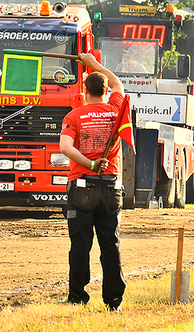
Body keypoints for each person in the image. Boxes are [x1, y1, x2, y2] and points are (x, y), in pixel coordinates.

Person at [59, 52, 126, 310]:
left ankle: (77, 297)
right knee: (110, 244)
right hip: (111, 185)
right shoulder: (116, 111)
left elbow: (66, 147)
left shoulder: (74, 117)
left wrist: (88, 163)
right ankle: (113, 301)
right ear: (105, 91)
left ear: (85, 91)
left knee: (80, 245)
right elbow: (117, 83)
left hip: (81, 184)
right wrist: (93, 64)